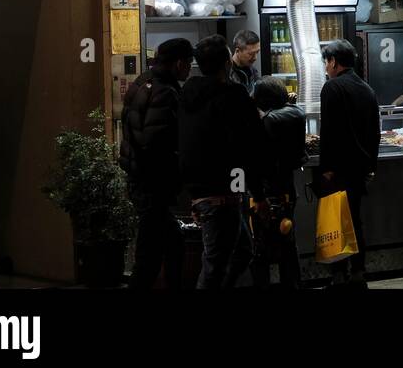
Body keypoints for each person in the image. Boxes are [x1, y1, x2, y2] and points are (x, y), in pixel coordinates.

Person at [179, 35, 267, 290]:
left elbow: (186, 144)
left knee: (240, 253)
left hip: (202, 192)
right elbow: (250, 146)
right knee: (215, 266)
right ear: (226, 63)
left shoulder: (188, 95)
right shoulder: (233, 95)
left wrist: (192, 194)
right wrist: (259, 194)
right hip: (223, 194)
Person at [119, 38, 193, 290]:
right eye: (189, 63)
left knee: (170, 245)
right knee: (149, 257)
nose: (189, 69)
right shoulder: (166, 92)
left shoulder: (142, 82)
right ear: (179, 63)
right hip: (153, 184)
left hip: (141, 180)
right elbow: (157, 142)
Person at [314, 39, 379, 288]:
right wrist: (370, 165)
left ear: (333, 62)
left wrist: (327, 168)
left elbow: (329, 131)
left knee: (336, 221)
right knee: (354, 219)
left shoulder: (332, 88)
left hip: (338, 168)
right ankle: (358, 271)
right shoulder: (366, 88)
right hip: (360, 167)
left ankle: (339, 275)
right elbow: (375, 131)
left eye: (326, 62)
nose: (326, 68)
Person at [249, 77, 305, 289]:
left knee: (260, 249)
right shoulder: (296, 113)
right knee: (287, 244)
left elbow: (256, 160)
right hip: (287, 190)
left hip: (268, 192)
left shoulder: (267, 123)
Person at [229, 30, 262, 95]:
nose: (255, 58)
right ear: (237, 51)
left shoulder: (253, 71)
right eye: (250, 54)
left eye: (257, 52)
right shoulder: (228, 75)